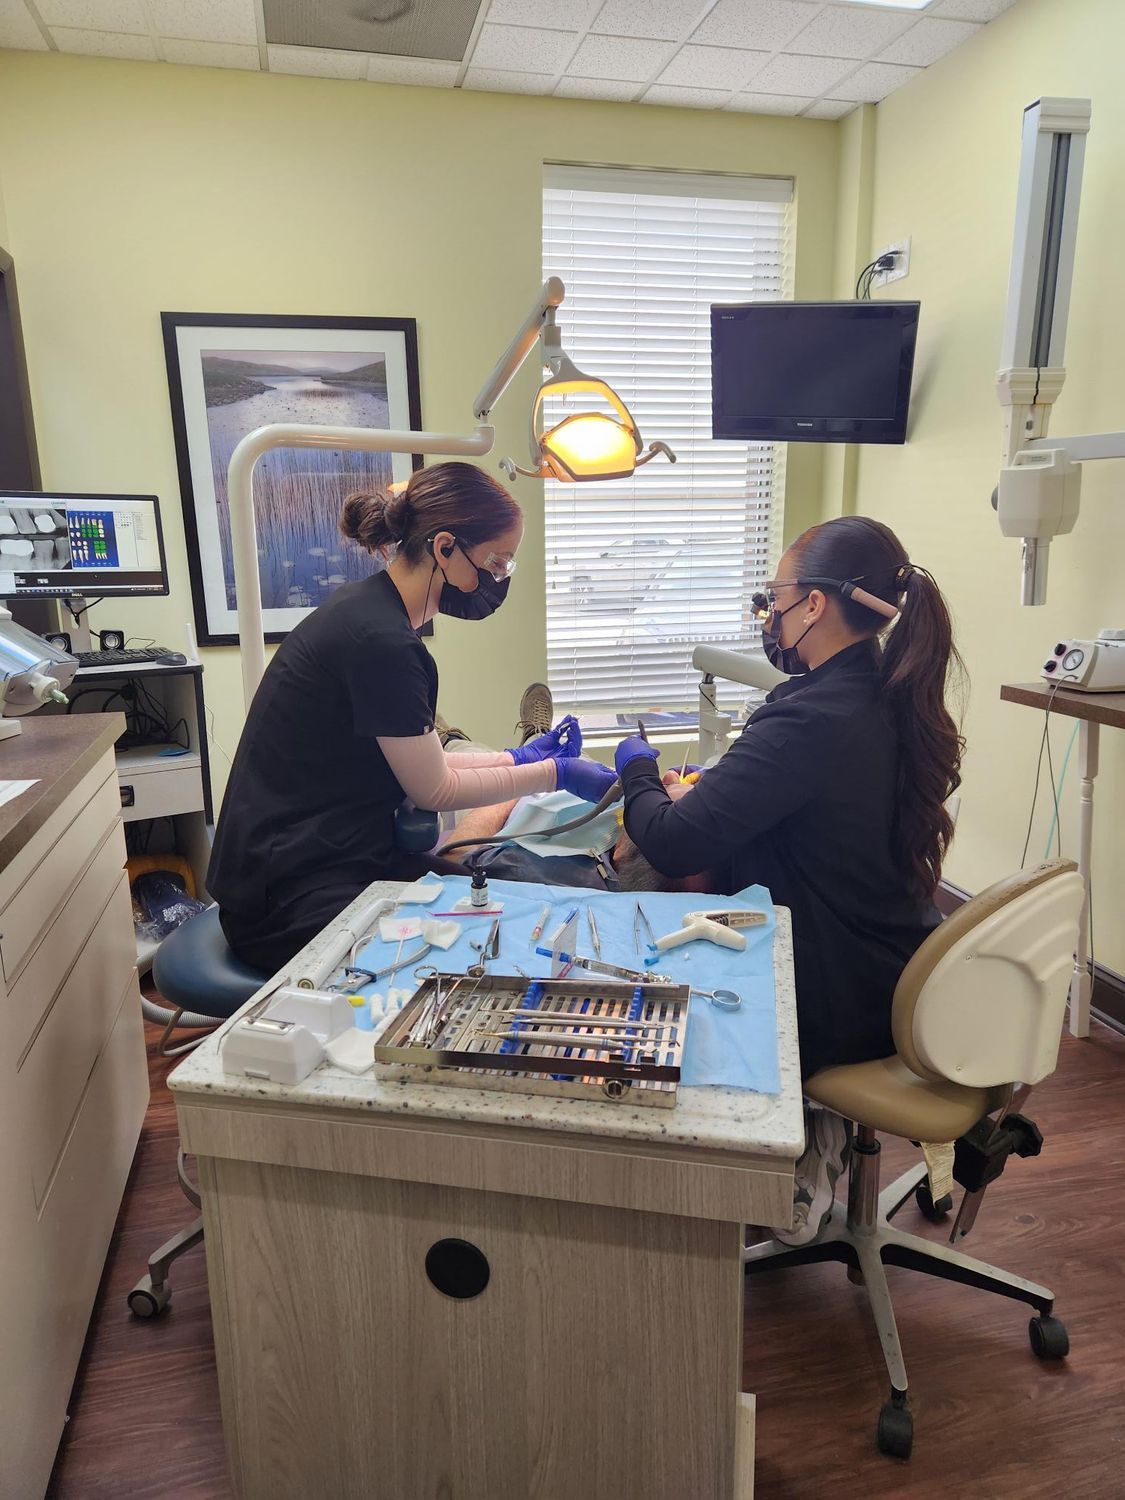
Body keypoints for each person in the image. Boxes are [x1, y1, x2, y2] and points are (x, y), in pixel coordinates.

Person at [612, 516, 965, 1243]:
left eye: (773, 596)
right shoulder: (883, 691)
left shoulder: (815, 717)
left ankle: (791, 1148)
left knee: (638, 905)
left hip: (834, 995)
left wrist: (635, 768)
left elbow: (675, 842)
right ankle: (811, 1135)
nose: (766, 613)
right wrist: (711, 790)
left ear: (812, 604)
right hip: (888, 960)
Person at [208, 461, 615, 974]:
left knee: (496, 901)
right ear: (444, 547)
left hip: (320, 864)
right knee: (488, 938)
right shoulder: (382, 643)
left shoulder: (368, 612)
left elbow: (424, 764)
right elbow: (435, 792)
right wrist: (555, 772)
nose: (496, 579)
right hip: (289, 899)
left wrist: (516, 757)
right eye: (496, 562)